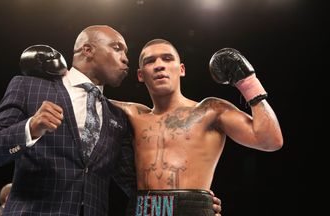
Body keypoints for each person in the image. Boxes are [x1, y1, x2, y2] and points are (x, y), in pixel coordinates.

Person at [0, 26, 222, 215]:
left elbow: (135, 185)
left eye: (126, 52)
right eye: (117, 48)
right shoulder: (30, 87)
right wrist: (30, 127)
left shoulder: (116, 116)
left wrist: (188, 201)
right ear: (88, 50)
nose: (126, 58)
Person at [107, 39, 284, 215]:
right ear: (140, 74)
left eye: (167, 58)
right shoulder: (131, 114)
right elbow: (84, 95)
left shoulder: (210, 110)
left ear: (181, 69)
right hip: (142, 209)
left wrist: (248, 82)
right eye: (150, 61)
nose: (159, 65)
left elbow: (270, 140)